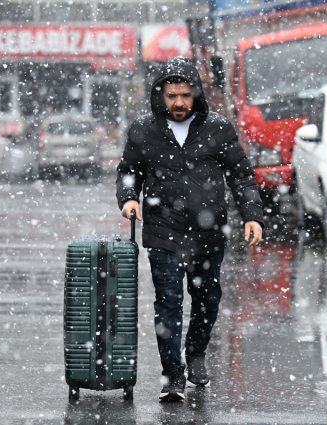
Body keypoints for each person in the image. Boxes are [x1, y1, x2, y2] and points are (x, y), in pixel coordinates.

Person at [116, 57, 264, 402]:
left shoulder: (218, 129)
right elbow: (129, 171)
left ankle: (196, 354)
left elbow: (241, 175)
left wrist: (252, 215)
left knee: (207, 300)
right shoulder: (144, 130)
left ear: (195, 94)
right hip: (163, 229)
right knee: (168, 303)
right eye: (171, 96)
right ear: (160, 96)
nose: (178, 103)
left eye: (184, 95)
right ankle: (173, 375)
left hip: (208, 232)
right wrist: (128, 198)